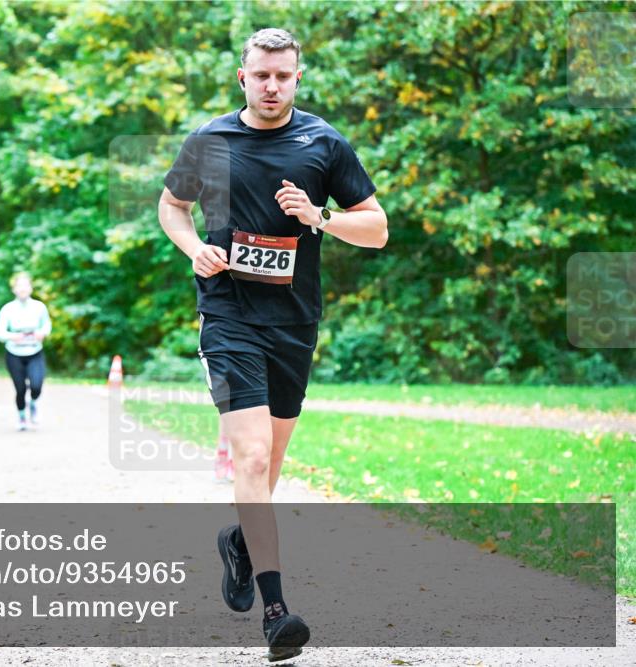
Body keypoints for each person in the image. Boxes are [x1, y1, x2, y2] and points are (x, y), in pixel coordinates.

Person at [158, 28, 388, 662]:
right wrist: (193, 249)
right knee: (252, 461)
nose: (272, 86)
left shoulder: (322, 143)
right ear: (243, 77)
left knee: (269, 467)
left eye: (283, 76)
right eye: (261, 75)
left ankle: (240, 540)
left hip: (293, 324)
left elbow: (377, 229)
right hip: (228, 315)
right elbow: (171, 206)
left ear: (297, 76)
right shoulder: (209, 141)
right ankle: (277, 612)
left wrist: (321, 218)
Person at [0, 273, 51, 431]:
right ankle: (21, 416)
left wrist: (43, 333)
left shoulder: (39, 307)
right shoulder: (8, 309)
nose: (23, 289)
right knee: (20, 389)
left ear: (31, 288)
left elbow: (47, 325)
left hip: (35, 353)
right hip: (14, 354)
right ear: (14, 289)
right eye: (19, 286)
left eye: (26, 285)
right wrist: (13, 336)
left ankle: (33, 404)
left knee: (36, 385)